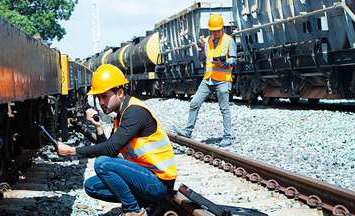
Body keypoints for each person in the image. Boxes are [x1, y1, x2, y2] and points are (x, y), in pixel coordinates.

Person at [56, 64, 177, 216]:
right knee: (91, 186)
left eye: (104, 96)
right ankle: (143, 203)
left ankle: (134, 211)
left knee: (102, 164)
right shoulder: (122, 114)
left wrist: (71, 151)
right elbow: (110, 151)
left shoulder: (135, 112)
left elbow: (110, 150)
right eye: (98, 97)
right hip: (143, 176)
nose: (100, 102)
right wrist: (99, 127)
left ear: (119, 93)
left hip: (159, 182)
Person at [176, 14, 237, 147]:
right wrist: (201, 49)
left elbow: (234, 59)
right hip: (208, 79)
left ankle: (227, 137)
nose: (216, 33)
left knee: (224, 109)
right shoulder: (208, 41)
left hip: (222, 80)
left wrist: (224, 62)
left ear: (222, 28)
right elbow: (202, 59)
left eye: (218, 30)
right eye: (213, 31)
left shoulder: (229, 40)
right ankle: (187, 131)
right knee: (194, 103)